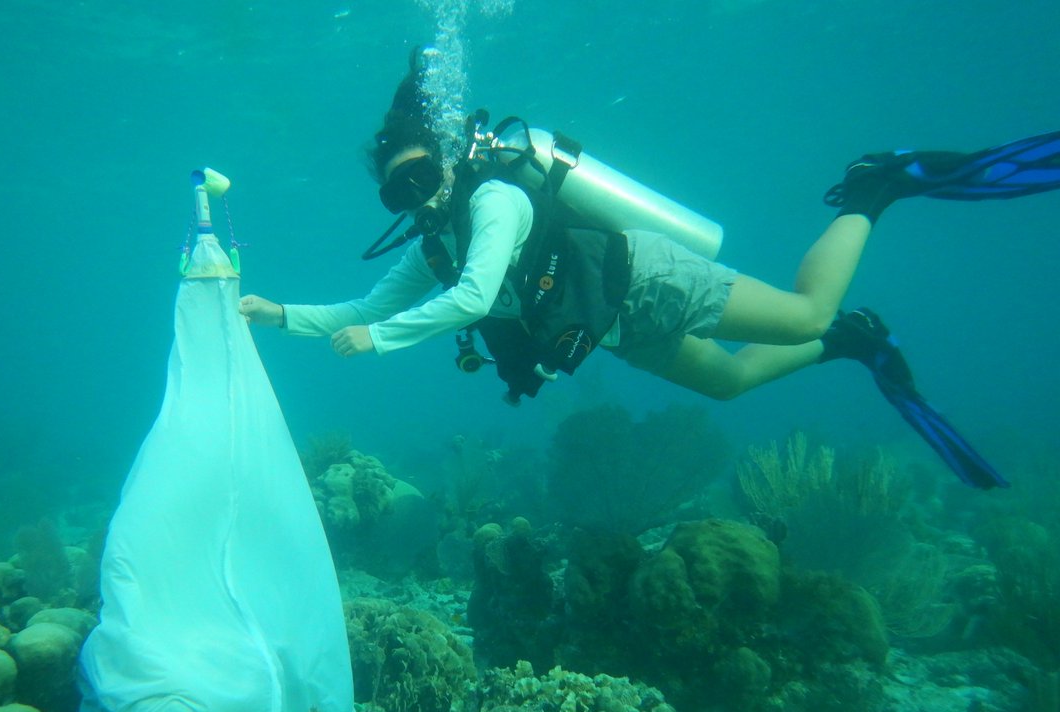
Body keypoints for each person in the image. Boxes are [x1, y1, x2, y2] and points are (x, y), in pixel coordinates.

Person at [241, 53, 1059, 489]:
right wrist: (275, 313)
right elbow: (359, 302)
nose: (414, 197)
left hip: (652, 282)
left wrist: (380, 341)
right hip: (617, 328)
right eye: (397, 188)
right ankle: (851, 343)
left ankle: (873, 191)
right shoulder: (437, 242)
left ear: (451, 163)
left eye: (423, 176)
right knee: (732, 386)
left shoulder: (495, 205)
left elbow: (478, 297)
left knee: (802, 312)